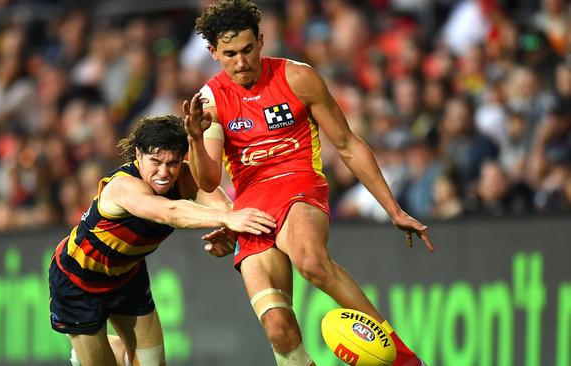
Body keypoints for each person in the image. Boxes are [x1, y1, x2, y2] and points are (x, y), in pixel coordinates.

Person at [182, 1, 435, 365]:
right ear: (213, 53)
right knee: (279, 330)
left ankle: (404, 360)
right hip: (251, 207)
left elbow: (347, 144)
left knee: (311, 261)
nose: (241, 63)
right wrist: (194, 140)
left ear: (262, 41)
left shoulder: (298, 78)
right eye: (230, 54)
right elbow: (207, 181)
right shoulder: (211, 99)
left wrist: (392, 209)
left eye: (248, 50)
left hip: (298, 184)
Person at [48, 114, 276, 366]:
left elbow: (221, 203)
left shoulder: (184, 178)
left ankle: (110, 350)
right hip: (78, 281)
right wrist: (226, 218)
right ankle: (93, 351)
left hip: (127, 277)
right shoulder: (122, 187)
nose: (164, 173)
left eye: (172, 163)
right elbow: (170, 212)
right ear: (138, 155)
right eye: (155, 162)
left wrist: (228, 227)